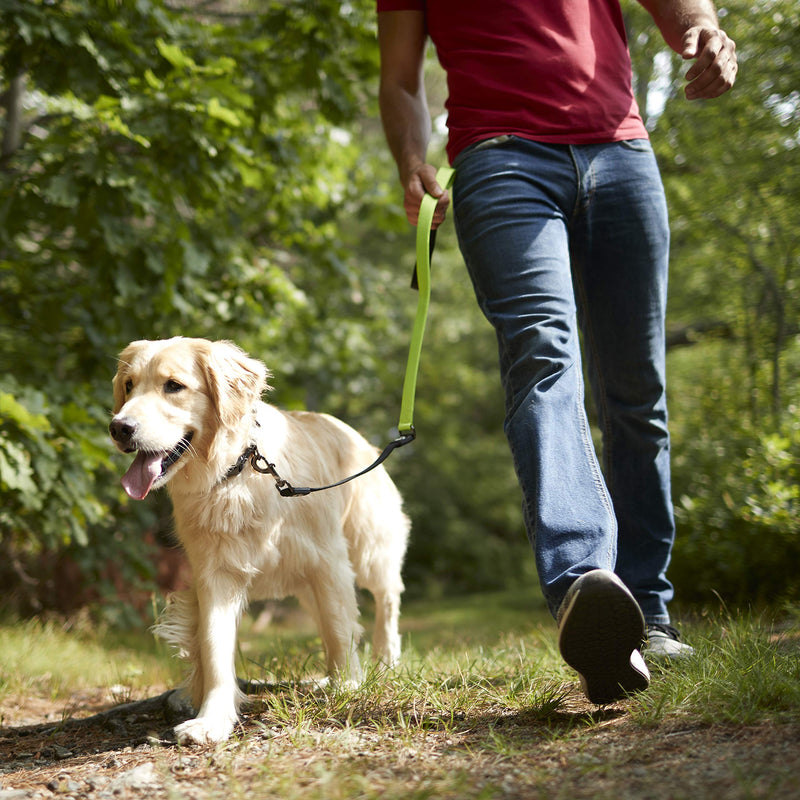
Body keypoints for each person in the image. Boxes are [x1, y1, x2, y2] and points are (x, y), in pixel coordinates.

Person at [377, 0, 736, 704]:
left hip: (621, 152)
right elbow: (399, 79)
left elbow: (681, 13)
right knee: (544, 355)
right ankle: (584, 589)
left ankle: (647, 615)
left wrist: (709, 37)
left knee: (636, 390)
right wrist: (411, 159)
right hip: (499, 160)